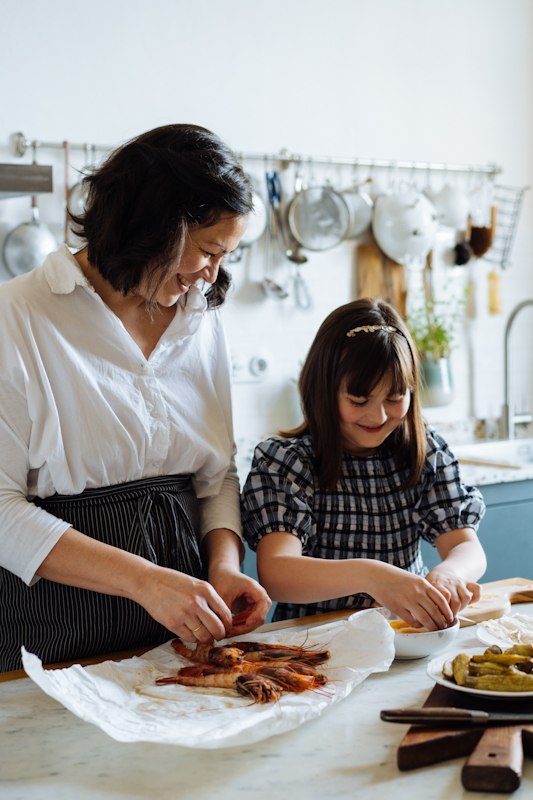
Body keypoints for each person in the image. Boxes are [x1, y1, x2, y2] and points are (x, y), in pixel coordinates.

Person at [0, 123, 271, 672]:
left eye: (225, 256)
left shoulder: (202, 319)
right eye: (206, 251)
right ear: (152, 225)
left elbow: (215, 474)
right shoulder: (19, 316)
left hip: (184, 628)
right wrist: (145, 581)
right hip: (53, 630)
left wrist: (223, 563)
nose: (210, 276)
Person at [241, 298, 487, 630]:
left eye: (395, 398)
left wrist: (450, 574)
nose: (379, 415)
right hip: (317, 644)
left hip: (406, 636)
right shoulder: (287, 462)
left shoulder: (425, 452)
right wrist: (372, 577)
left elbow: (465, 546)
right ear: (324, 391)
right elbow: (277, 573)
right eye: (359, 400)